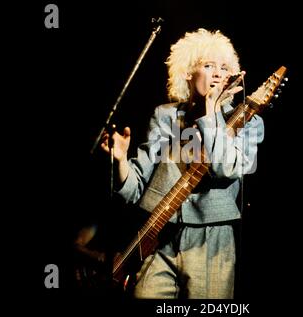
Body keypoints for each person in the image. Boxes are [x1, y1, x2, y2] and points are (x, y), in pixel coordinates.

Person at [100, 28, 264, 299]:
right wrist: (119, 161)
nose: (217, 73)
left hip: (211, 239)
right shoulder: (165, 116)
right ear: (189, 72)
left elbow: (226, 168)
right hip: (159, 236)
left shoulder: (248, 122)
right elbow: (135, 187)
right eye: (208, 65)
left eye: (224, 67)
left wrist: (211, 113)